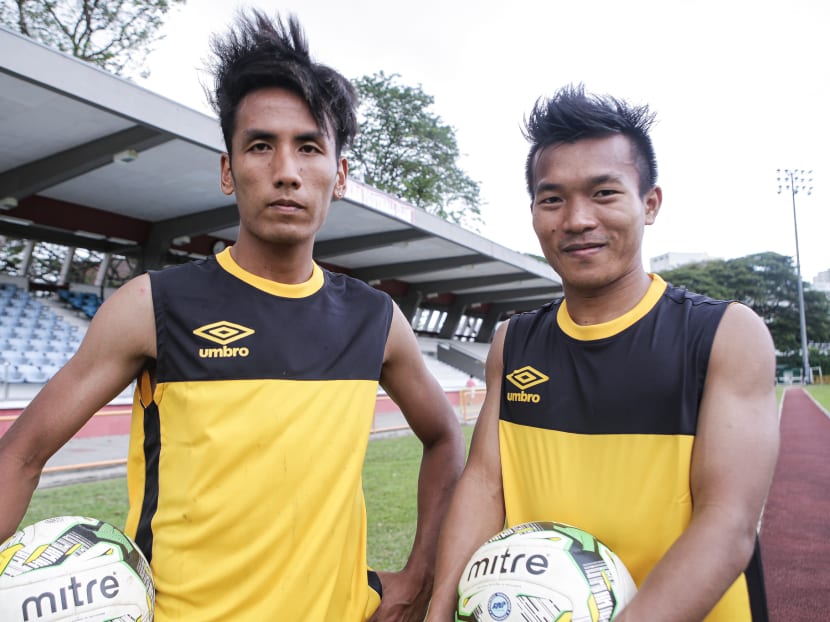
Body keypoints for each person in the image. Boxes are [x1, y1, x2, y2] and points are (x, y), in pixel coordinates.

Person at [0, 10, 465, 621]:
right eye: (260, 146)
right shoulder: (152, 305)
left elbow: (444, 437)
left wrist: (418, 574)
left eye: (309, 148)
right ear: (228, 170)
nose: (287, 172)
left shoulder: (376, 320)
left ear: (340, 174)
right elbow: (22, 454)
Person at [426, 84, 779, 621]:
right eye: (553, 199)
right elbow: (483, 485)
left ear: (650, 203)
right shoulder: (513, 341)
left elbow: (727, 524)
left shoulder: (726, 334)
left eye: (604, 193)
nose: (576, 219)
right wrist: (439, 608)